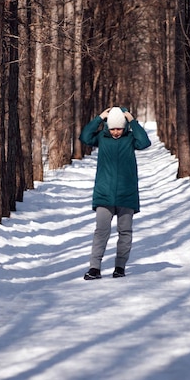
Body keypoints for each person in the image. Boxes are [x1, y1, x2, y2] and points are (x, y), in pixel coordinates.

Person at [80, 106, 151, 280]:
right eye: (113, 128)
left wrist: (132, 121)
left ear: (124, 127)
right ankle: (94, 268)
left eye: (119, 128)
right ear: (108, 127)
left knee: (125, 232)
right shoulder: (102, 138)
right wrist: (99, 118)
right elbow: (85, 137)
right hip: (104, 194)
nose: (116, 132)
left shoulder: (130, 139)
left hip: (127, 194)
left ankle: (120, 267)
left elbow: (144, 142)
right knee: (101, 231)